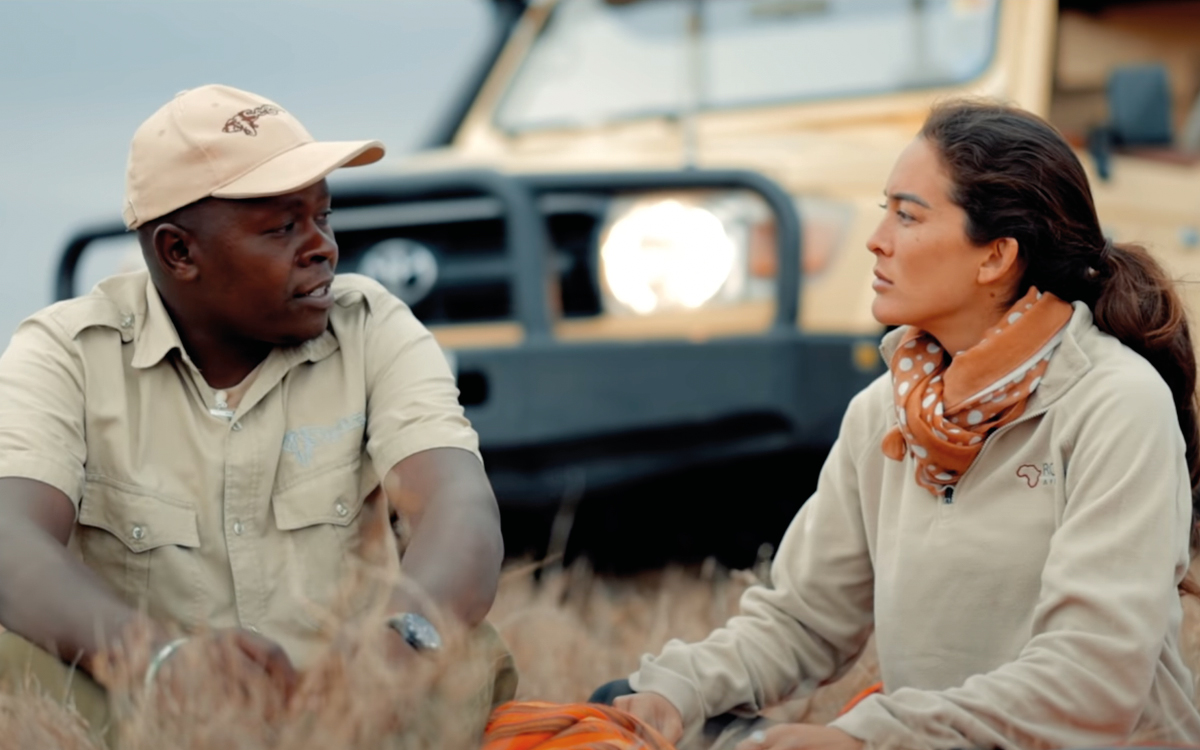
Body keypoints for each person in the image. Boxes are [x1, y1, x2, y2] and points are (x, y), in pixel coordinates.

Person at [601, 100, 1200, 749]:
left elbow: (1091, 686)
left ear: (995, 255)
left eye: (907, 214)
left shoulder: (1116, 404)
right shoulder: (882, 411)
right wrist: (670, 694)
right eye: (885, 208)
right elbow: (803, 621)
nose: (876, 238)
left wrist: (863, 739)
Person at [0, 84, 514, 742]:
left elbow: (460, 506)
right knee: (15, 667)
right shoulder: (65, 351)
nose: (322, 247)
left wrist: (398, 639)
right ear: (178, 253)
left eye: (323, 217)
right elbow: (11, 539)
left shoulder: (371, 325)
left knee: (464, 649)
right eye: (281, 228)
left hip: (350, 712)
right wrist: (159, 662)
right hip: (152, 712)